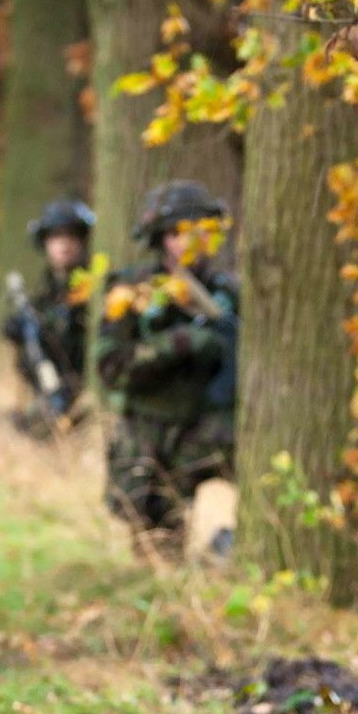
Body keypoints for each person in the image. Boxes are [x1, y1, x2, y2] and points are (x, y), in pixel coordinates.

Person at [94, 180, 238, 553]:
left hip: (210, 428)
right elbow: (110, 366)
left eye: (198, 232)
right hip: (149, 432)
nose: (187, 242)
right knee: (156, 545)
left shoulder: (228, 294)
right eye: (176, 233)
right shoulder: (131, 292)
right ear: (160, 238)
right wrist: (179, 343)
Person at [3, 199, 94, 427]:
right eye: (56, 237)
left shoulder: (92, 284)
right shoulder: (45, 289)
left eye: (71, 236)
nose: (64, 244)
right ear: (45, 243)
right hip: (49, 386)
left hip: (82, 387)